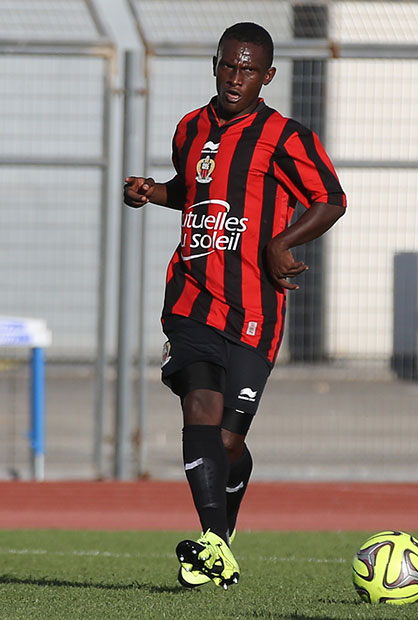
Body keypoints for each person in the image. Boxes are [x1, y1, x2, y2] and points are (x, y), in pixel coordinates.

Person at [123, 22, 345, 589]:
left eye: (248, 70)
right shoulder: (190, 127)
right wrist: (154, 192)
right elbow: (193, 189)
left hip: (254, 310)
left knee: (228, 441)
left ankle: (223, 528)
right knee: (199, 404)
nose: (234, 78)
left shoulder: (286, 137)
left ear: (267, 76)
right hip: (192, 298)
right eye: (227, 65)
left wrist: (281, 243)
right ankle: (214, 542)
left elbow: (331, 199)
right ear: (216, 64)